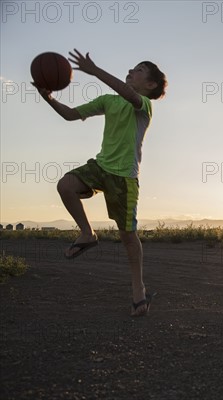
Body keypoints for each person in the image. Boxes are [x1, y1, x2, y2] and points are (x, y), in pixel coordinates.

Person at [33, 49, 167, 317]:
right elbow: (71, 114)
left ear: (150, 85)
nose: (131, 71)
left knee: (128, 237)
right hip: (100, 166)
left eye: (139, 70)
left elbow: (129, 95)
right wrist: (48, 98)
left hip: (124, 177)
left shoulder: (144, 105)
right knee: (65, 185)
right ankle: (87, 234)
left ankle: (138, 292)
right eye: (132, 67)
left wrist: (95, 71)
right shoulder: (108, 100)